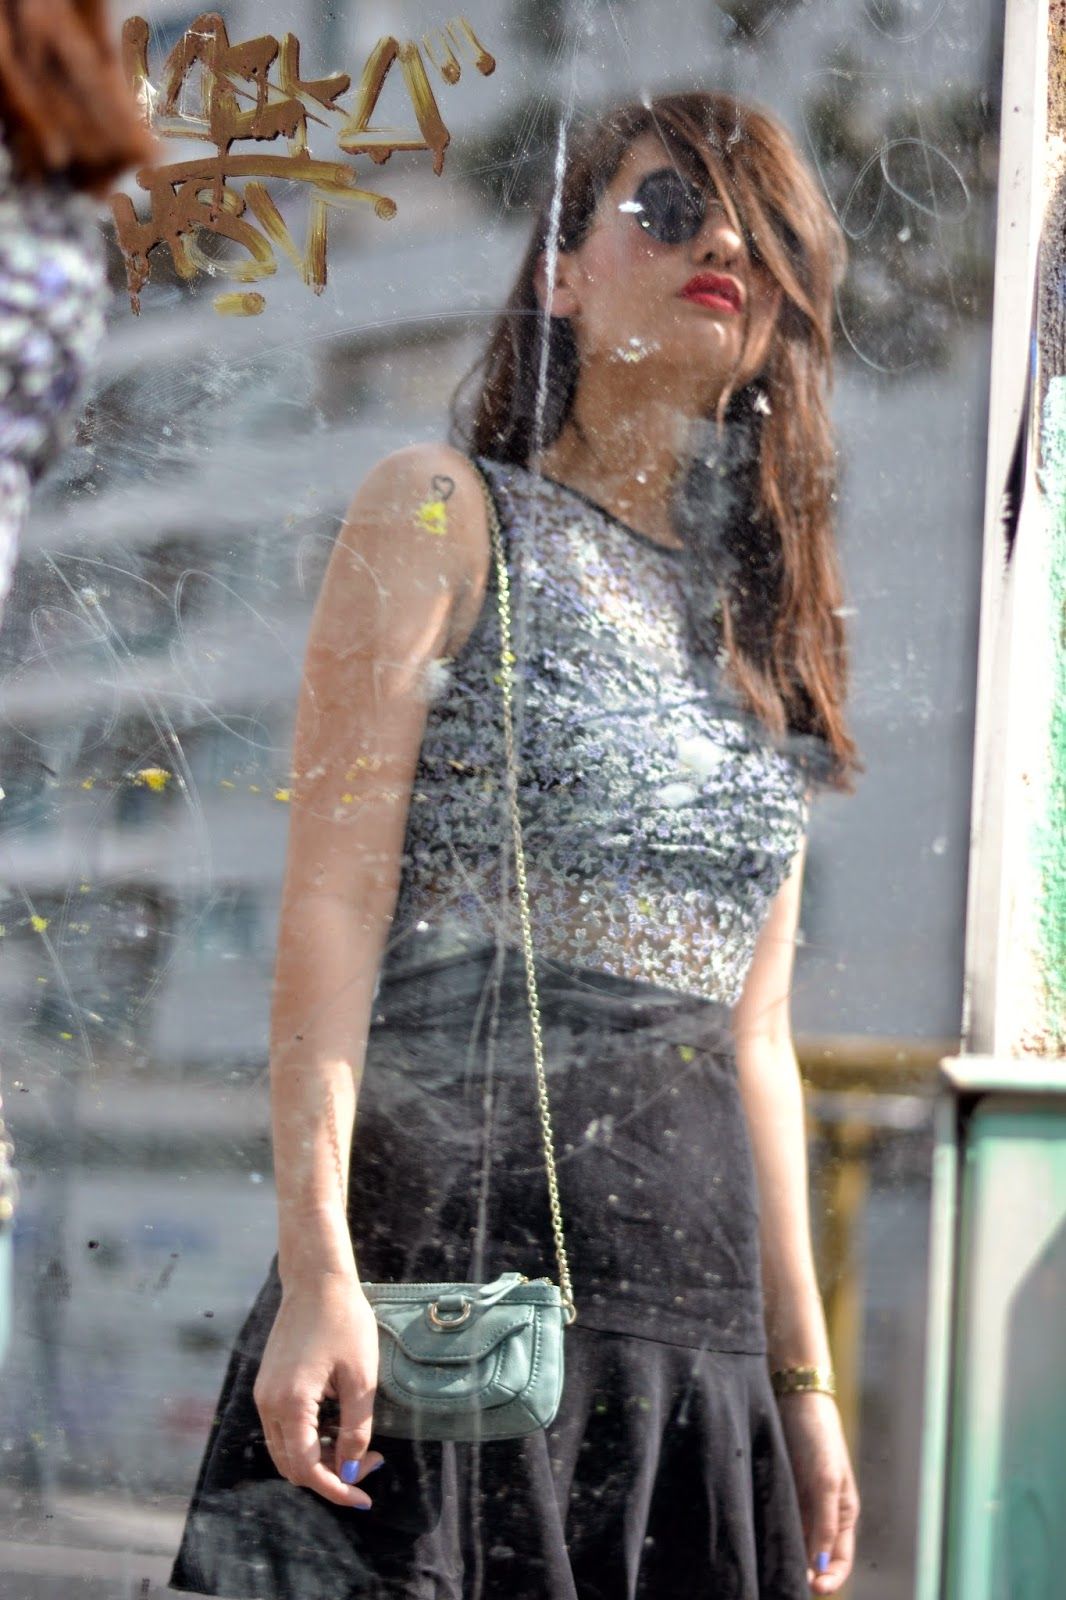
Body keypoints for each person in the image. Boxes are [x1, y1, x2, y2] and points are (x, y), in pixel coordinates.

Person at [168, 90, 864, 1599]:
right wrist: (319, 1266)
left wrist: (804, 1387)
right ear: (562, 272)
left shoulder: (763, 630)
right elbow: (333, 909)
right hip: (452, 1274)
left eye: (756, 230)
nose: (720, 244)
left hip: (689, 1327)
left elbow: (756, 1039)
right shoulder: (442, 512)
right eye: (666, 210)